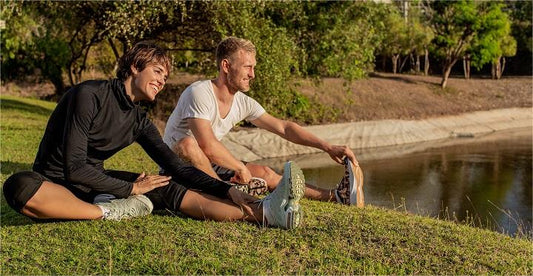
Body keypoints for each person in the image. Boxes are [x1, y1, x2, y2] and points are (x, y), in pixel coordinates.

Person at [2, 41, 306, 229]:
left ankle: (265, 213)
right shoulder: (88, 95)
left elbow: (177, 167)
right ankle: (107, 212)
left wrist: (225, 189)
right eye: (158, 72)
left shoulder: (139, 119)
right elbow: (74, 168)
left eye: (166, 75)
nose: (162, 81)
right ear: (135, 66)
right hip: (53, 185)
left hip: (94, 185)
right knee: (18, 185)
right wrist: (130, 191)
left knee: (167, 185)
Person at [163, 37, 364, 207]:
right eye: (247, 67)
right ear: (226, 66)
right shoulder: (200, 92)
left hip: (208, 165)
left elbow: (284, 128)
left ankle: (336, 197)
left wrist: (327, 146)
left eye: (253, 68)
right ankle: (225, 194)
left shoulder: (242, 102)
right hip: (175, 166)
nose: (253, 74)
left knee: (266, 173)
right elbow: (206, 144)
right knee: (188, 144)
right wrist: (240, 168)